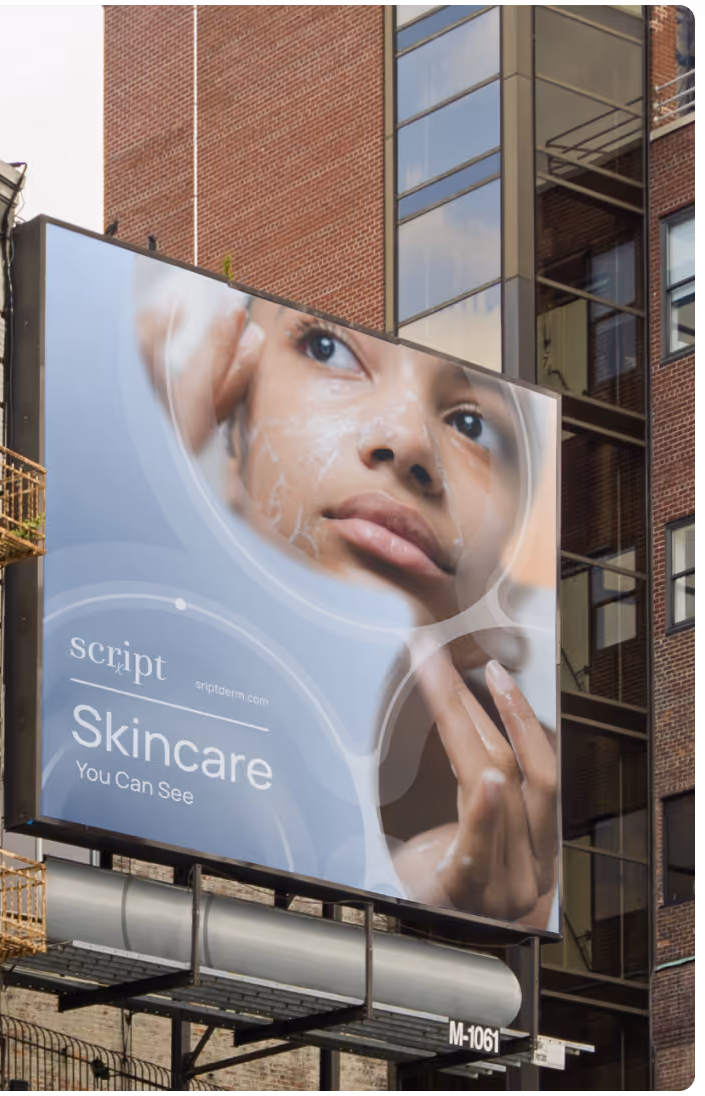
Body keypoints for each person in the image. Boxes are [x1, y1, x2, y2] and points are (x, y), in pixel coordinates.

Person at [138, 288, 557, 928]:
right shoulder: (123, 689)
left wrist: (434, 910)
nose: (408, 441)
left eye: (472, 425)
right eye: (327, 349)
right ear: (232, 438)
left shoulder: (546, 806)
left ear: (508, 554)